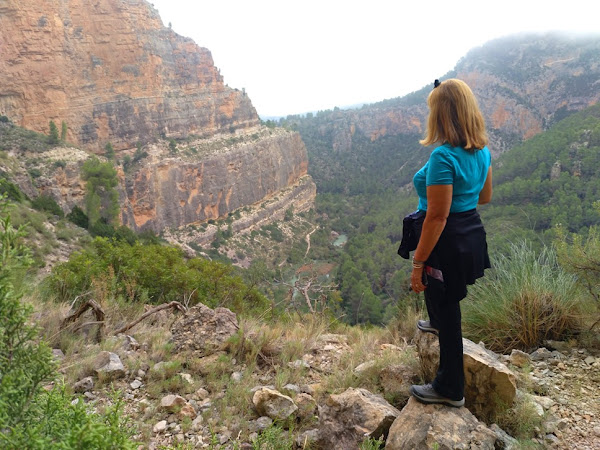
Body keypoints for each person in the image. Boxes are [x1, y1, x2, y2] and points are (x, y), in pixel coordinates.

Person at [405, 78, 493, 408]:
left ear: (441, 114)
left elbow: (437, 218)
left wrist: (418, 264)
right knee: (443, 300)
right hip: (469, 231)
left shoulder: (443, 156)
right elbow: (484, 196)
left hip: (446, 239)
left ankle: (450, 387)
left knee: (448, 308)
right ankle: (437, 321)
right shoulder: (482, 150)